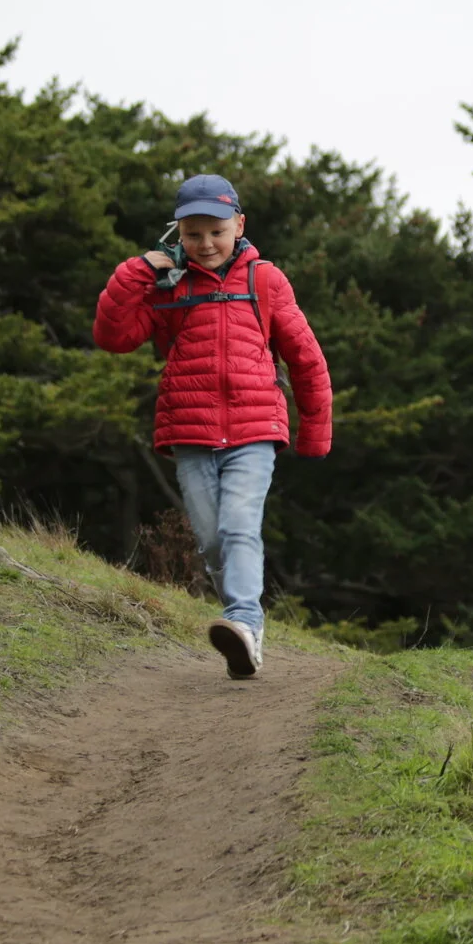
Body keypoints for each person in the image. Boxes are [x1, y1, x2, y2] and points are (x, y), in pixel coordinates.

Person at [93, 173, 333, 680]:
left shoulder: (264, 280)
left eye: (217, 232)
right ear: (177, 233)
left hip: (255, 429)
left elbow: (306, 358)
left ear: (239, 225)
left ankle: (244, 621)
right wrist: (134, 272)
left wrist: (314, 432)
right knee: (212, 539)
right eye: (193, 234)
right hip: (190, 434)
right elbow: (114, 336)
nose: (206, 245)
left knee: (239, 525)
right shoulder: (164, 285)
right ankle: (242, 638)